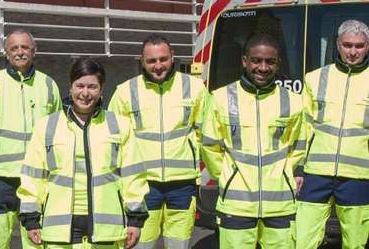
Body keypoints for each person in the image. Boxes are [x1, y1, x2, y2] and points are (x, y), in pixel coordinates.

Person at [18, 57, 149, 249]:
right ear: (70, 87)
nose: (85, 93)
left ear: (102, 88)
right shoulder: (47, 126)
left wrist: (135, 221)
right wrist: (31, 220)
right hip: (59, 229)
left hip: (106, 228)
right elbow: (33, 177)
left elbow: (133, 177)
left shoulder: (119, 125)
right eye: (80, 86)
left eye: (92, 87)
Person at [201, 34, 307, 249]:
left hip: (281, 205)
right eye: (256, 60)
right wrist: (228, 178)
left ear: (278, 64)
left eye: (270, 61)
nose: (263, 67)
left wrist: (287, 175)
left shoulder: (293, 101)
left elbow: (299, 145)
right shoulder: (220, 98)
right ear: (244, 61)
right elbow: (210, 146)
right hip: (236, 204)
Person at [107, 34, 207, 249]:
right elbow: (113, 141)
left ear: (173, 57)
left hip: (182, 185)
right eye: (152, 61)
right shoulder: (125, 92)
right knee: (140, 245)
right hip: (142, 185)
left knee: (179, 245)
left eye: (163, 59)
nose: (158, 65)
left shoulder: (195, 88)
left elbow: (205, 133)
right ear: (141, 61)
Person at [0, 28, 61, 249]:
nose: (20, 52)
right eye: (14, 48)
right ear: (6, 53)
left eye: (25, 47)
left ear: (34, 51)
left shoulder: (49, 86)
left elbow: (57, 130)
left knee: (36, 242)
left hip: (36, 177)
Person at [296, 19, 369, 249]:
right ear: (337, 44)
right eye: (348, 45)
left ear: (367, 46)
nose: (353, 52)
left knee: (356, 243)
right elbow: (302, 128)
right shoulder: (314, 78)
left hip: (358, 176)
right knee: (302, 240)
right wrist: (298, 168)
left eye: (359, 46)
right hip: (315, 174)